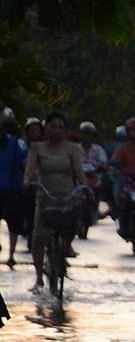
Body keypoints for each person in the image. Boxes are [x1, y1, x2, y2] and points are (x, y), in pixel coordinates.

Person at [23, 113, 87, 290]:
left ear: (65, 130)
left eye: (60, 127)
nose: (56, 130)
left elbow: (79, 171)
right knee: (39, 238)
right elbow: (30, 169)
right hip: (46, 196)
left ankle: (64, 251)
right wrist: (27, 181)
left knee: (72, 227)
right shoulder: (37, 147)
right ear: (46, 128)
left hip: (68, 195)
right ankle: (38, 278)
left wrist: (86, 186)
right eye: (53, 126)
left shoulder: (72, 149)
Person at [0, 117, 25, 269]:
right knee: (13, 224)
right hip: (13, 187)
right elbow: (24, 163)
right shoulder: (18, 144)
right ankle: (11, 256)